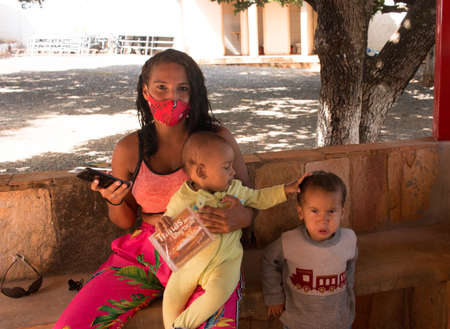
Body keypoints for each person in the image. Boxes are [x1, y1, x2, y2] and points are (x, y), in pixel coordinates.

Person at [53, 49, 255, 329]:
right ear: (146, 91)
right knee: (74, 324)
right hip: (146, 250)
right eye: (162, 87)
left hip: (209, 251)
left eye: (182, 89)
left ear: (193, 93)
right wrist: (115, 200)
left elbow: (249, 200)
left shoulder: (215, 138)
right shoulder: (128, 149)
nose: (172, 98)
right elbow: (124, 221)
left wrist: (240, 217)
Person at [157, 131, 307, 329]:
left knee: (219, 293)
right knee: (171, 296)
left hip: (224, 264)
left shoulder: (236, 190)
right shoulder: (183, 197)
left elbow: (259, 197)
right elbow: (168, 219)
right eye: (227, 167)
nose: (233, 173)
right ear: (201, 172)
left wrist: (286, 189)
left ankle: (181, 326)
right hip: (190, 263)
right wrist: (164, 222)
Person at [262, 171, 358, 329]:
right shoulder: (289, 241)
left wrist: (348, 291)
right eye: (315, 211)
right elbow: (269, 261)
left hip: (338, 321)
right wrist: (274, 297)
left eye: (332, 211)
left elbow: (350, 267)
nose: (323, 220)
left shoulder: (349, 239)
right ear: (301, 212)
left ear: (342, 212)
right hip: (298, 322)